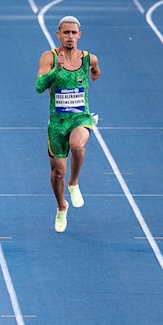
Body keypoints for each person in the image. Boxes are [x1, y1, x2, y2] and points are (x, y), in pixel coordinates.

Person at [36, 15, 100, 233]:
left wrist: (95, 73)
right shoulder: (50, 57)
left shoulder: (88, 58)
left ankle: (74, 183)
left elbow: (95, 68)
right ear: (59, 35)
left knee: (78, 146)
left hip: (80, 117)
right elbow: (38, 86)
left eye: (74, 33)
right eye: (66, 32)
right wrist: (56, 70)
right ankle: (61, 206)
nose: (70, 36)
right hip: (57, 123)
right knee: (57, 174)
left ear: (79, 35)